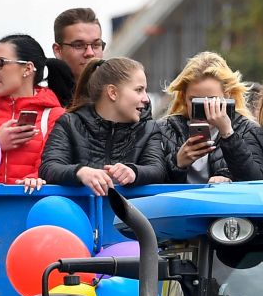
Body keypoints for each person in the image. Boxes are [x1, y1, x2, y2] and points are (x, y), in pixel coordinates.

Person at [35, 57, 167, 195]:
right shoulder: (69, 123)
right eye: (139, 90)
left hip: (131, 213)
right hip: (79, 211)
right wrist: (80, 172)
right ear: (113, 93)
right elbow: (49, 168)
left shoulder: (149, 128)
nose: (146, 99)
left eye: (145, 90)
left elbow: (157, 169)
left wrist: (133, 171)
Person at [0, 34, 63, 185]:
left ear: (28, 68)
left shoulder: (55, 115)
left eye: (0, 63)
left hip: (32, 205)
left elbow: (55, 165)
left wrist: (35, 180)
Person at [154, 51, 263, 183]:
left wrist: (228, 134)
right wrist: (177, 163)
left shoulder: (248, 129)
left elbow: (255, 179)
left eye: (211, 100)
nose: (204, 108)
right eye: (196, 101)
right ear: (184, 97)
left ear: (227, 96)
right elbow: (151, 181)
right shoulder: (164, 130)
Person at [46, 7, 105, 107]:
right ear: (57, 50)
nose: (90, 53)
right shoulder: (41, 104)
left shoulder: (120, 97)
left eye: (96, 45)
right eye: (78, 45)